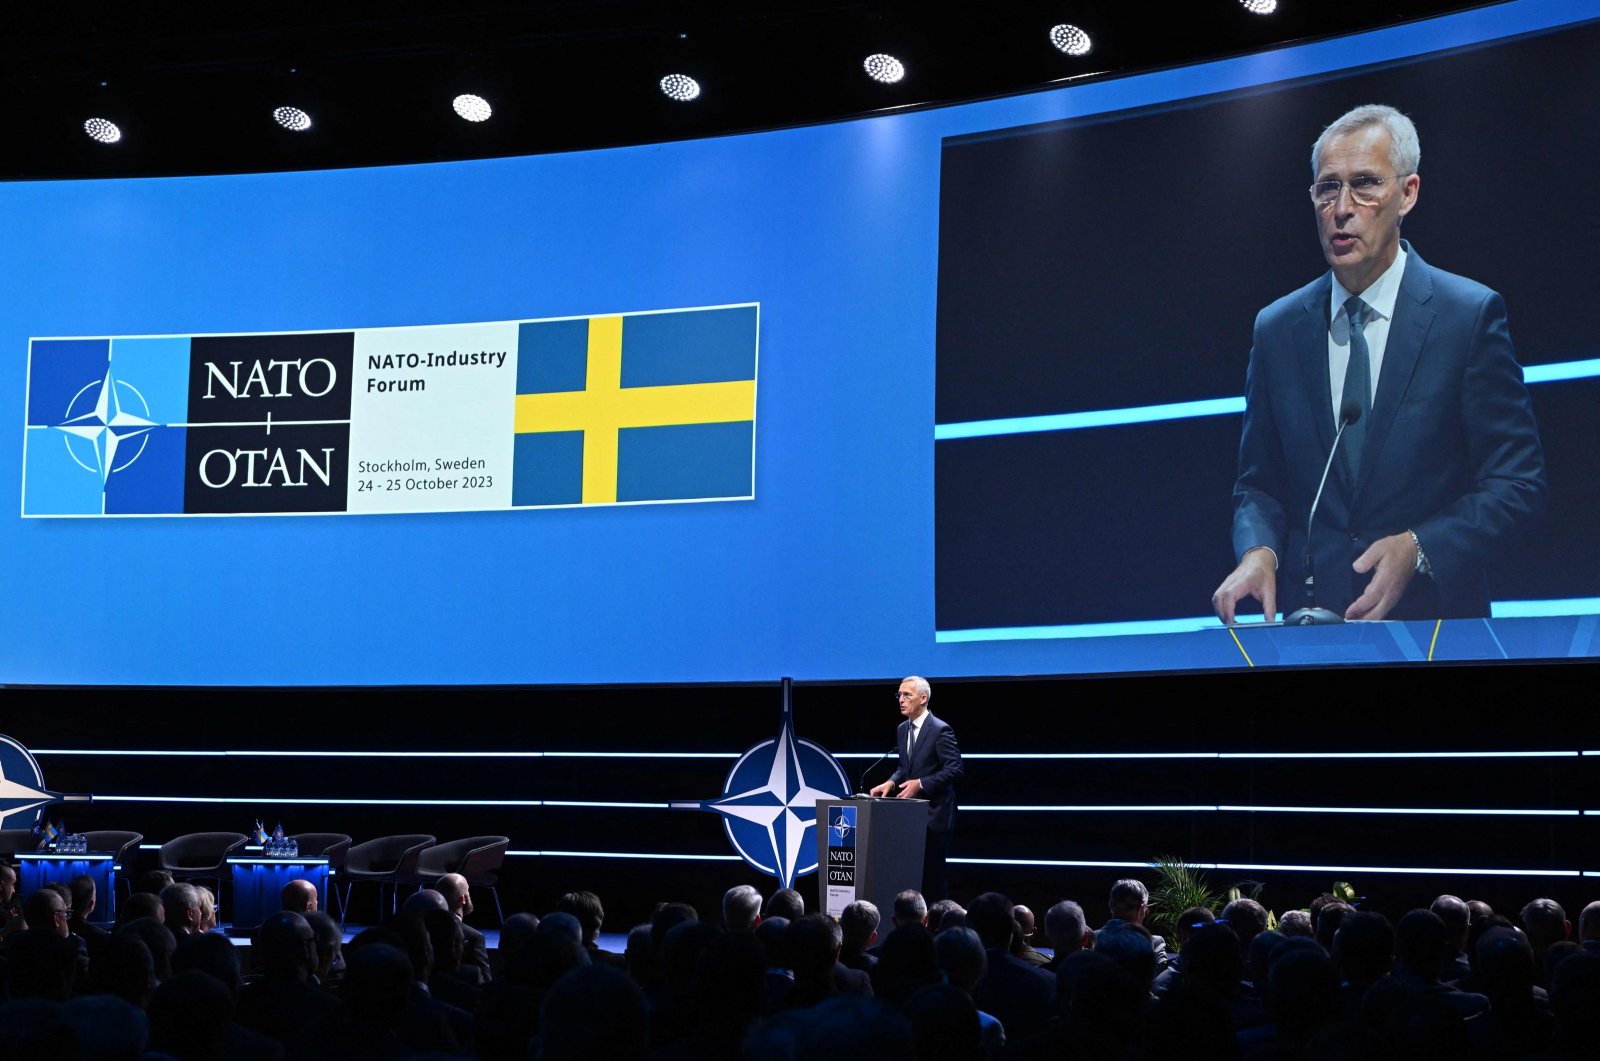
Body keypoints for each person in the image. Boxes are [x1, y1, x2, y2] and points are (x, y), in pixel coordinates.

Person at [1213, 104, 1544, 624]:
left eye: (1365, 185)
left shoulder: (1467, 317)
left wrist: (1420, 547)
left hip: (1436, 632)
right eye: (1327, 188)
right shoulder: (1277, 329)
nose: (1342, 208)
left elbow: (1517, 485)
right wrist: (1260, 551)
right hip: (1313, 630)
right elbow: (1260, 484)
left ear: (1407, 193)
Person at [869, 675, 965, 901]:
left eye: (907, 695)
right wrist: (891, 781)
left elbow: (955, 769)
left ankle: (936, 925)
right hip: (910, 816)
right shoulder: (903, 729)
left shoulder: (941, 730)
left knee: (932, 877)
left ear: (923, 699)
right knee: (911, 876)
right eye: (899, 695)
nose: (901, 700)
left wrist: (921, 784)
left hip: (935, 815)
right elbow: (906, 766)